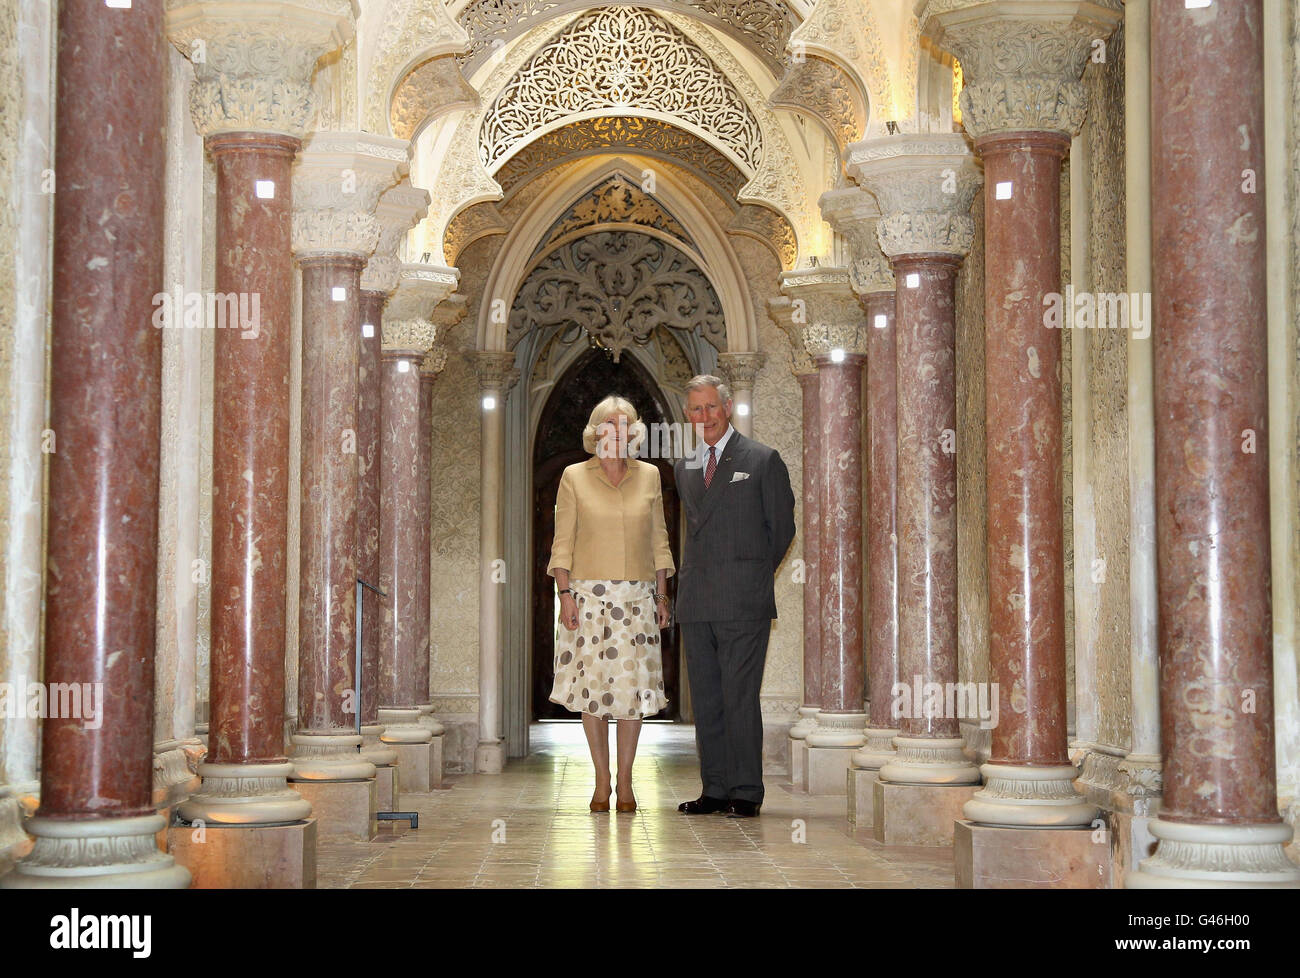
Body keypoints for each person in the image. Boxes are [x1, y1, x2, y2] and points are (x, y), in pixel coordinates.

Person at [672, 374, 795, 817]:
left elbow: (781, 530)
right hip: (697, 602)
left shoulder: (762, 460)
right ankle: (715, 788)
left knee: (740, 696)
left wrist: (752, 576)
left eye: (711, 407)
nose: (704, 416)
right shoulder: (684, 467)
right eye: (695, 409)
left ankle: (745, 791)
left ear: (727, 409)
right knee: (707, 699)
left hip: (744, 601)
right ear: (688, 414)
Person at [547, 395, 674, 813]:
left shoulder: (651, 476)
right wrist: (564, 595)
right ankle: (601, 781)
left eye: (622, 425)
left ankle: (626, 781)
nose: (614, 432)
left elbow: (659, 540)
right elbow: (562, 542)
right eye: (606, 425)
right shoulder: (573, 476)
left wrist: (662, 595)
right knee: (594, 695)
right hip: (587, 601)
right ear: (595, 431)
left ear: (634, 432)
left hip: (637, 600)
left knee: (631, 696)